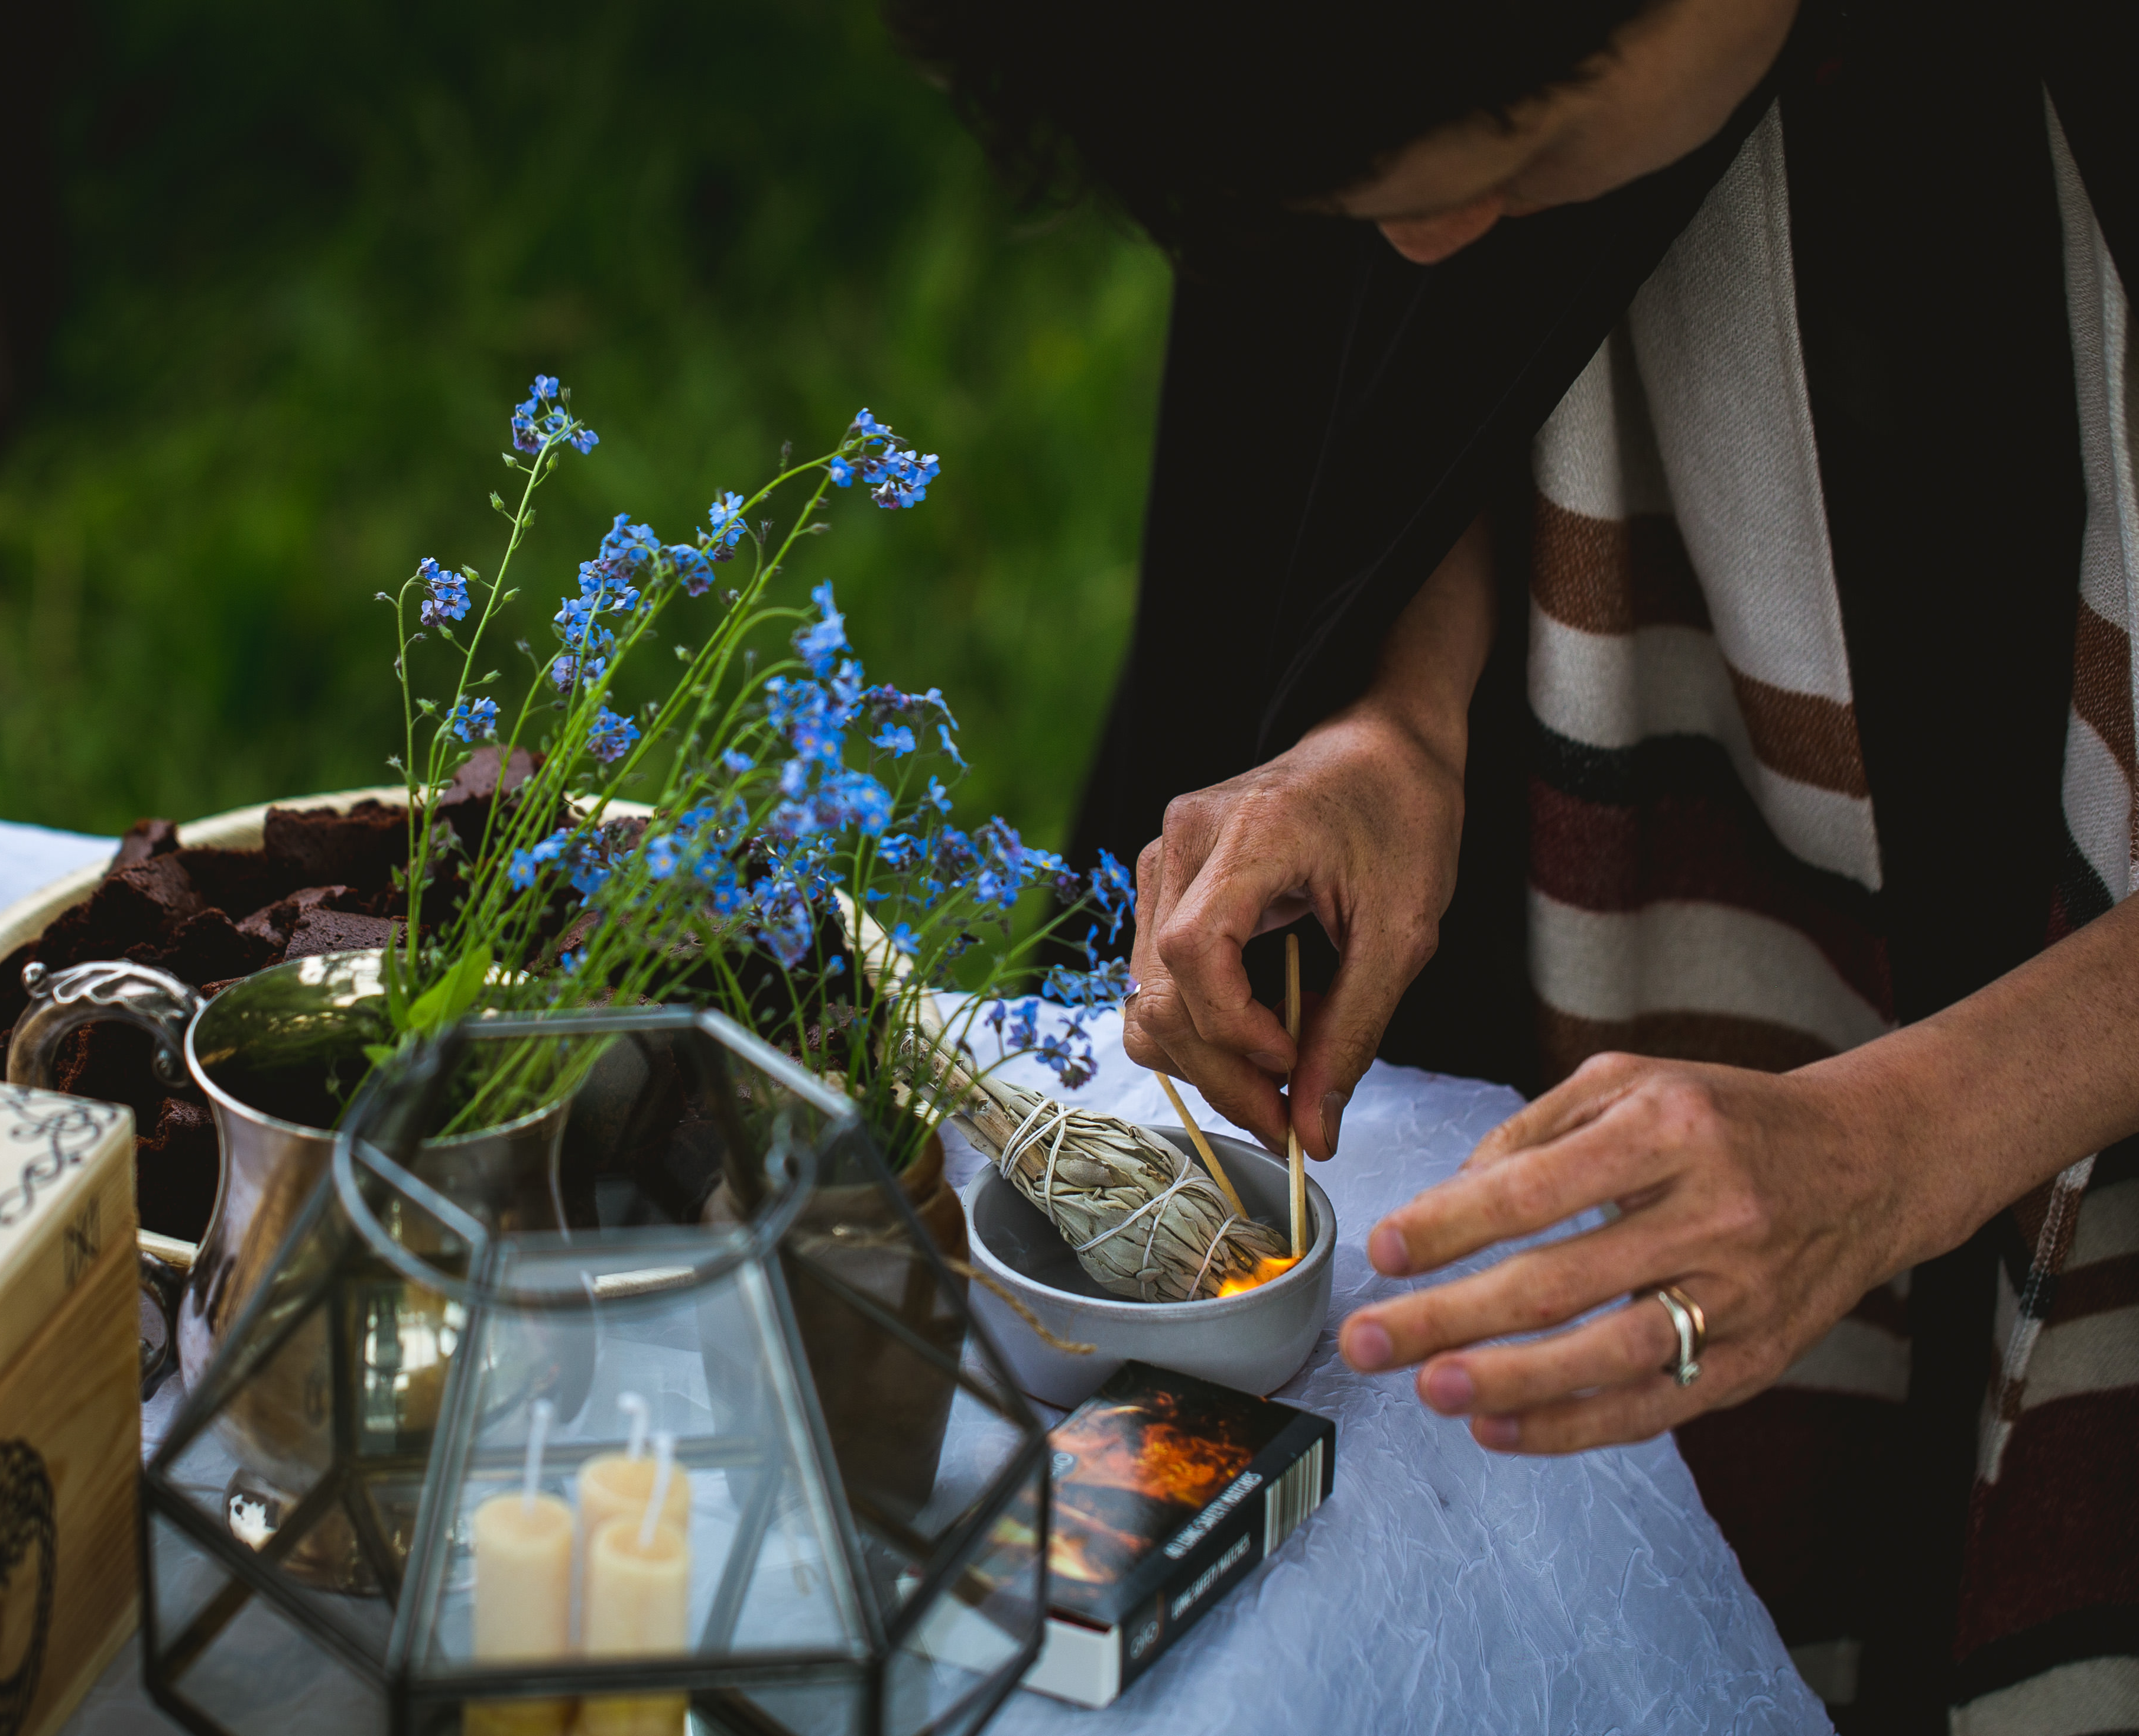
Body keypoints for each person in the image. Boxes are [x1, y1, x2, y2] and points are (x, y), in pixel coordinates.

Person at [890, 0, 2134, 1727]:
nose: (1427, 251)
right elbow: (1446, 362)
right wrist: (1396, 714)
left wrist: (1916, 1134)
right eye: (1361, 218)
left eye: (1517, 164)